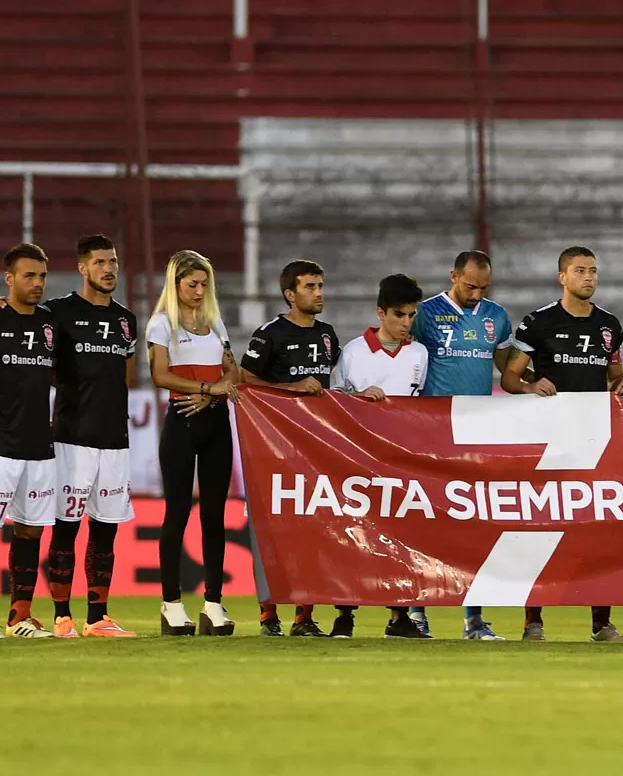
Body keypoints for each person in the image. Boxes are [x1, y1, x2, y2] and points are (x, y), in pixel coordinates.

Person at [503, 245, 623, 643]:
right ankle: (533, 622)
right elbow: (511, 379)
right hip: (548, 440)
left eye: (593, 271)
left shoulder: (609, 325)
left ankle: (601, 624)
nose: (589, 277)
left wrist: (622, 385)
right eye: (580, 271)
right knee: (542, 525)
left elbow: (615, 376)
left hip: (595, 439)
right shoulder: (538, 323)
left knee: (597, 531)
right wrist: (530, 384)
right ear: (562, 277)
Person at [406, 249, 513, 641]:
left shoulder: (496, 316)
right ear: (453, 275)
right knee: (425, 525)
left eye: (483, 287)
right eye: (470, 286)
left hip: (477, 436)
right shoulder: (426, 314)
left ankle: (474, 620)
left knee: (475, 529)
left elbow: (507, 368)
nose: (476, 293)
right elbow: (404, 358)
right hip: (430, 436)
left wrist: (536, 382)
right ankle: (415, 614)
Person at [239, 259, 342, 637]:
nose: (319, 293)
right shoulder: (270, 334)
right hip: (274, 448)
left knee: (313, 530)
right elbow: (245, 381)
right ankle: (268, 615)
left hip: (317, 449)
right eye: (310, 287)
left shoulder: (328, 334)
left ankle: (304, 617)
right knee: (271, 531)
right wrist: (292, 389)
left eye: (320, 285)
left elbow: (334, 387)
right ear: (290, 294)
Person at [43, 235, 139, 637]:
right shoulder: (57, 313)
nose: (109, 269)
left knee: (106, 530)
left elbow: (127, 376)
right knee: (66, 526)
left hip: (114, 439)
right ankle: (62, 615)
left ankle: (97, 617)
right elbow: (42, 366)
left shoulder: (125, 319)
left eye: (113, 261)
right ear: (82, 267)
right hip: (71, 438)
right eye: (100, 262)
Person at [330, 273, 432, 639]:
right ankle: (345, 614)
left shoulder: (419, 353)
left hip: (400, 459)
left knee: (400, 539)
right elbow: (332, 401)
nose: (406, 323)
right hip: (358, 458)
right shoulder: (354, 352)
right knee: (353, 535)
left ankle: (399, 615)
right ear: (380, 312)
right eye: (399, 315)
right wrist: (358, 401)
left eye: (411, 315)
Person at [0, 244, 59, 639]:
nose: (37, 283)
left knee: (31, 530)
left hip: (39, 443)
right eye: (28, 276)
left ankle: (21, 615)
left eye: (41, 276)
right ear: (9, 278)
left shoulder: (51, 324)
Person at [148, 250, 242, 637]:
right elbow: (159, 374)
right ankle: (171, 603)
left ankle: (214, 603)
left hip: (216, 421)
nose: (199, 291)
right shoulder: (162, 324)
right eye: (192, 284)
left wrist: (213, 394)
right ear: (176, 284)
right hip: (182, 421)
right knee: (178, 513)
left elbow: (232, 372)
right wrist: (207, 388)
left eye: (204, 284)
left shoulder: (215, 323)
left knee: (215, 515)